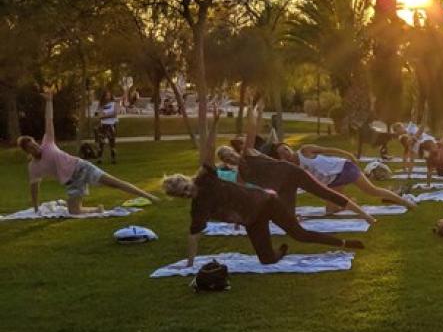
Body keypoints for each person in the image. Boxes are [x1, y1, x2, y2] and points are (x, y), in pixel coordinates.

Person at [164, 114, 365, 267]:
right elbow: (193, 237)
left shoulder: (205, 177)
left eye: (185, 187)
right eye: (183, 194)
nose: (187, 192)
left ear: (186, 180)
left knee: (299, 234)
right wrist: (190, 264)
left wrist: (215, 123)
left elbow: (207, 150)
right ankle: (280, 252)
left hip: (265, 202)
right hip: (252, 220)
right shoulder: (198, 208)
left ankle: (345, 243)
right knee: (266, 260)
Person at [219, 102, 384, 221]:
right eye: (228, 156)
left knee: (324, 193)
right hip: (284, 180)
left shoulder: (247, 156)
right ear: (229, 159)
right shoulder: (244, 161)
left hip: (289, 174)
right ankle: (357, 211)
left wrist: (256, 111)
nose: (231, 157)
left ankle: (365, 215)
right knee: (296, 207)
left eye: (229, 154)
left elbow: (251, 132)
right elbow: (240, 192)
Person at [18, 91, 158, 215]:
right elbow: (34, 188)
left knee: (114, 182)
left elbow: (48, 120)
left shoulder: (47, 143)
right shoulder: (33, 167)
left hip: (81, 167)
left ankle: (150, 196)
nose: (36, 147)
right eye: (31, 148)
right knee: (74, 211)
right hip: (72, 182)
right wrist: (36, 208)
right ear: (27, 151)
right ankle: (97, 210)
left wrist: (49, 101)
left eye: (35, 144)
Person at [274, 142, 414, 208]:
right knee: (329, 211)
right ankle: (349, 200)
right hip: (333, 181)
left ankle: (405, 202)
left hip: (344, 168)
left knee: (372, 191)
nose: (285, 153)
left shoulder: (305, 150)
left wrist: (348, 155)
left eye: (285, 149)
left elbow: (329, 148)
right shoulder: (291, 168)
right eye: (282, 153)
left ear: (289, 147)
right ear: (280, 157)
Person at [94, 89, 120, 164]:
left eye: (109, 95)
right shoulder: (101, 104)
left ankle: (113, 158)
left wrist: (105, 115)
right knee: (101, 142)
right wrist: (104, 116)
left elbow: (115, 113)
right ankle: (99, 158)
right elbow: (99, 115)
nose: (107, 97)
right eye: (106, 95)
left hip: (112, 124)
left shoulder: (114, 103)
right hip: (103, 125)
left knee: (112, 141)